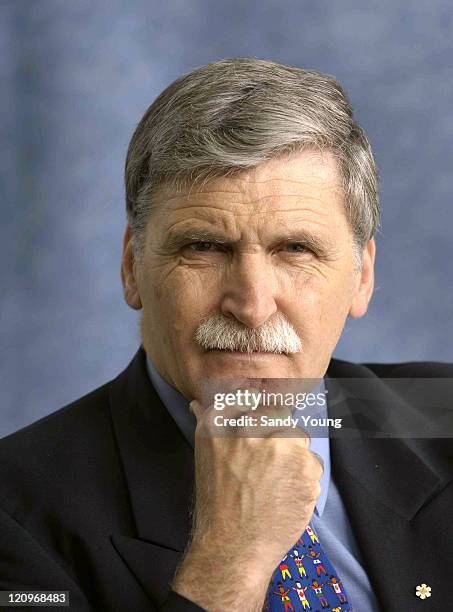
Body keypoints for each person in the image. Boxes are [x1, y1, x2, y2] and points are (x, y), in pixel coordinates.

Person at [0, 58, 452, 612]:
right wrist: (230, 559)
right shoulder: (14, 512)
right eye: (204, 248)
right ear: (131, 267)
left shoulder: (441, 412)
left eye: (296, 249)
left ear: (361, 277)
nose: (253, 306)